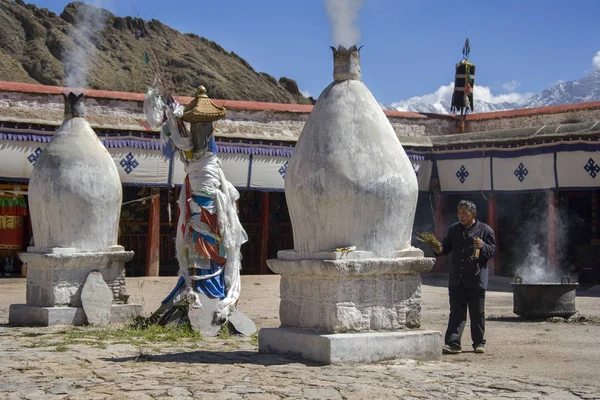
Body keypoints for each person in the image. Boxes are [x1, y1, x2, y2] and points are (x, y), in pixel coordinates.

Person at [434, 200, 496, 354]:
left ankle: (478, 343)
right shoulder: (454, 229)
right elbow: (446, 248)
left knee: (477, 313)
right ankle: (453, 343)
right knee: (456, 313)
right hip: (457, 278)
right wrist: (438, 248)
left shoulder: (485, 230)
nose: (461, 216)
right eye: (459, 213)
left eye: (464, 213)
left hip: (476, 278)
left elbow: (492, 251)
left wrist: (483, 246)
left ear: (473, 214)